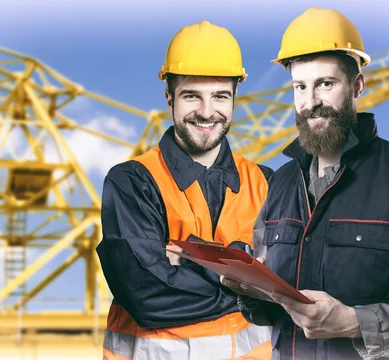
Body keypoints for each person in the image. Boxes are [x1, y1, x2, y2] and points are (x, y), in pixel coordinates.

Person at [221, 7, 389, 360]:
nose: (311, 103)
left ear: (357, 85)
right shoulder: (281, 183)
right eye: (299, 87)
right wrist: (248, 288)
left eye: (326, 84)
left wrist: (354, 322)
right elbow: (273, 305)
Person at [96, 20, 274, 359]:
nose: (207, 112)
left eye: (220, 96)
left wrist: (188, 261)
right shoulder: (133, 182)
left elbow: (296, 276)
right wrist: (246, 279)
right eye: (192, 95)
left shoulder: (266, 181)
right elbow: (148, 298)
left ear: (235, 97)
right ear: (169, 98)